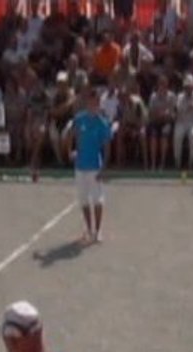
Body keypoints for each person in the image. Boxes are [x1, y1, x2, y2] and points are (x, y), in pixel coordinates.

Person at [65, 86, 112, 245]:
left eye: (96, 102)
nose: (93, 105)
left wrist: (103, 168)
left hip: (95, 166)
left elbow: (107, 147)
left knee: (97, 200)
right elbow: (71, 134)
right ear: (87, 103)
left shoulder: (103, 123)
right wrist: (70, 151)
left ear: (98, 104)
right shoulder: (79, 119)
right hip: (80, 166)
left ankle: (98, 231)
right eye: (91, 102)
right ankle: (89, 228)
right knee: (84, 200)